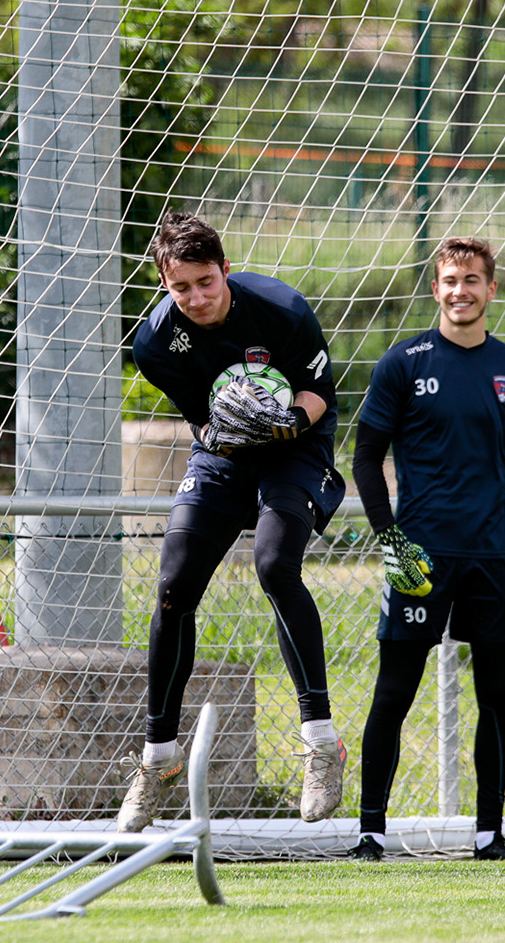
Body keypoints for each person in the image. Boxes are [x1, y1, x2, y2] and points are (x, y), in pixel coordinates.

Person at [120, 212, 348, 832]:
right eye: (180, 288)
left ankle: (322, 744)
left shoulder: (282, 308)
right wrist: (226, 432)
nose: (195, 298)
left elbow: (320, 393)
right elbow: (202, 419)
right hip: (223, 450)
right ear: (164, 284)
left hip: (295, 444)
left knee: (275, 565)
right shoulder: (153, 345)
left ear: (225, 269)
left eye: (206, 282)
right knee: (173, 586)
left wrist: (284, 425)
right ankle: (158, 757)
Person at [347, 236, 505, 862]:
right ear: (434, 289)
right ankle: (370, 833)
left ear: (491, 289)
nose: (460, 290)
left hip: (493, 555)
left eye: (472, 279)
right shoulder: (403, 362)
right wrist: (390, 539)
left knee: (497, 695)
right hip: (423, 556)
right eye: (450, 280)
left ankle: (491, 835)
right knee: (394, 692)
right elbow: (364, 458)